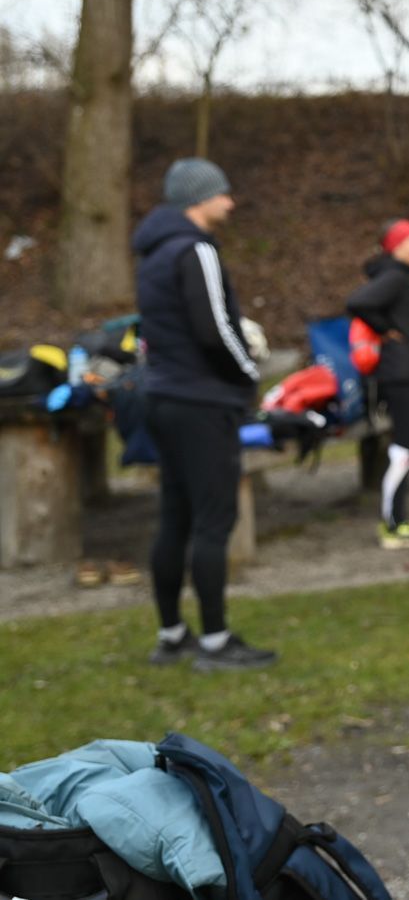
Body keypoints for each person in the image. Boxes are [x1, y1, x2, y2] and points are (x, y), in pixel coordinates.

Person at [132, 157, 277, 671]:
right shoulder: (196, 249)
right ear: (198, 199)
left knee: (175, 517)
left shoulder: (151, 254)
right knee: (215, 520)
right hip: (203, 402)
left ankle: (171, 635)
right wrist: (248, 376)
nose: (231, 202)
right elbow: (217, 328)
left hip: (163, 398)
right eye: (223, 193)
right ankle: (216, 644)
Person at [345, 219, 409, 550]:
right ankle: (394, 523)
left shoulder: (397, 278)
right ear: (396, 246)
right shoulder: (395, 278)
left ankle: (396, 518)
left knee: (404, 447)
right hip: (403, 375)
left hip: (405, 372)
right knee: (403, 448)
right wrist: (385, 330)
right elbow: (357, 303)